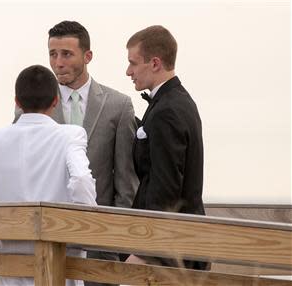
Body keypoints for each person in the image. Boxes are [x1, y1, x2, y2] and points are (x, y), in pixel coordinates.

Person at [14, 22, 138, 285]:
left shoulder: (119, 106)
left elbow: (126, 184)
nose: (57, 62)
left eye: (66, 54)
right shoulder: (28, 107)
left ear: (87, 56)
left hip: (100, 248)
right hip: (46, 245)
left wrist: (114, 242)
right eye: (52, 54)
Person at [0, 64, 97, 286]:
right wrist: (86, 226)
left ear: (17, 102)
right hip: (61, 268)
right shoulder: (70, 135)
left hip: (12, 269)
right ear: (55, 101)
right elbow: (81, 180)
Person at [126, 25, 209, 270]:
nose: (128, 71)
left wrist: (147, 251)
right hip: (179, 240)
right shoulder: (178, 101)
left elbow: (166, 188)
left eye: (133, 62)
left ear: (154, 63)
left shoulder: (167, 111)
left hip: (170, 245)